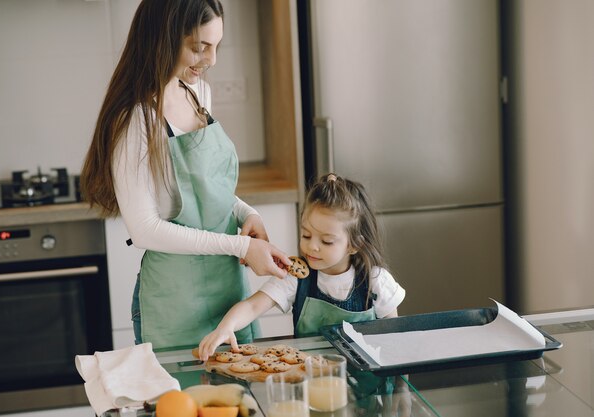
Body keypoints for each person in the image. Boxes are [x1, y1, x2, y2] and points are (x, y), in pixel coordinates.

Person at [80, 0, 290, 350]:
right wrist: (242, 245)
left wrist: (245, 213)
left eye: (216, 46)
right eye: (199, 47)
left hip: (228, 288)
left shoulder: (197, 93)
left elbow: (205, 188)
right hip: (175, 303)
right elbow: (145, 230)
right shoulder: (135, 119)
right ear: (163, 39)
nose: (211, 59)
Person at [198, 173, 406, 360]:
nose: (312, 246)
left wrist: (401, 389)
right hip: (312, 384)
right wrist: (226, 327)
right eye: (306, 235)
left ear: (354, 245)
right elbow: (253, 306)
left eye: (326, 241)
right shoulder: (296, 278)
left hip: (368, 388)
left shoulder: (376, 280)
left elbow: (395, 340)